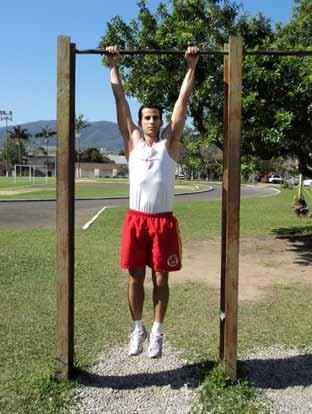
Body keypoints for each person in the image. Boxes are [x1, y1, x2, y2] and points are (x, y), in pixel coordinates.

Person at [106, 45, 199, 358]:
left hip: (162, 221)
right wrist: (113, 65)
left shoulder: (169, 144)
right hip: (136, 220)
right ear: (140, 120)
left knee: (161, 278)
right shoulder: (131, 140)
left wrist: (190, 67)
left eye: (155, 117)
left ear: (160, 121)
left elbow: (182, 104)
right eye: (146, 117)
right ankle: (137, 329)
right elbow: (120, 102)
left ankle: (157, 332)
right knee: (135, 277)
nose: (150, 121)